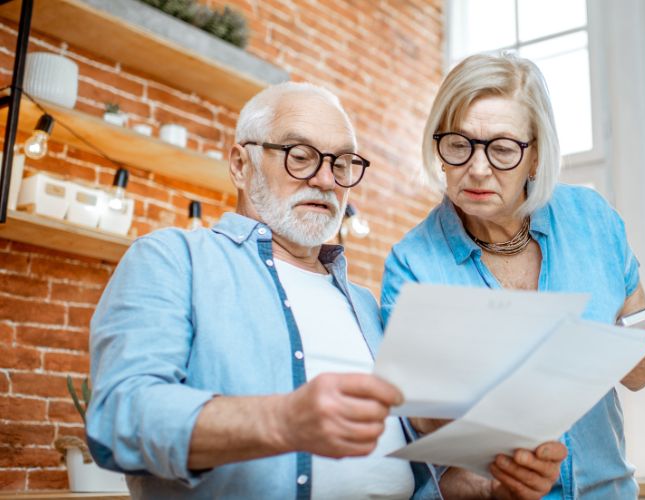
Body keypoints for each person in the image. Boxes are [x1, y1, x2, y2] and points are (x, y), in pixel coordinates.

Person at [87, 81, 565, 499]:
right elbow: (119, 418)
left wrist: (491, 487)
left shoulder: (365, 305)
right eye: (300, 156)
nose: (325, 179)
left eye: (342, 163)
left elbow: (408, 473)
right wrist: (283, 420)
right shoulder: (174, 259)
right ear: (239, 163)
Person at [380, 54, 645, 498]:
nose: (477, 168)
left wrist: (644, 355)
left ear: (535, 156)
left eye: (501, 149)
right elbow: (421, 428)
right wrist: (492, 477)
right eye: (459, 144)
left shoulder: (592, 220)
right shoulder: (413, 263)